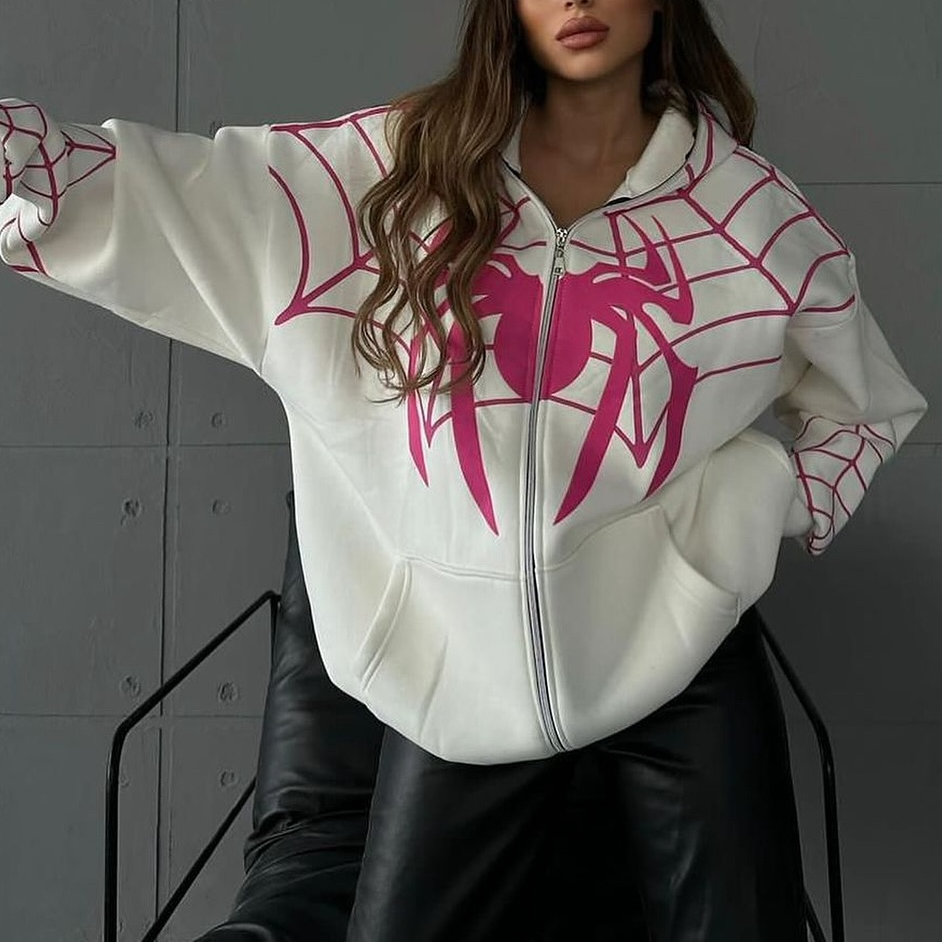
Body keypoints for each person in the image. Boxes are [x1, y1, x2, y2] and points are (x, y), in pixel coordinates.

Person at [1, 0, 928, 939]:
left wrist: (756, 513)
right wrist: (28, 158)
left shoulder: (744, 212)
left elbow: (868, 405)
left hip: (682, 671)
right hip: (460, 675)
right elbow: (187, 195)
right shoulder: (395, 170)